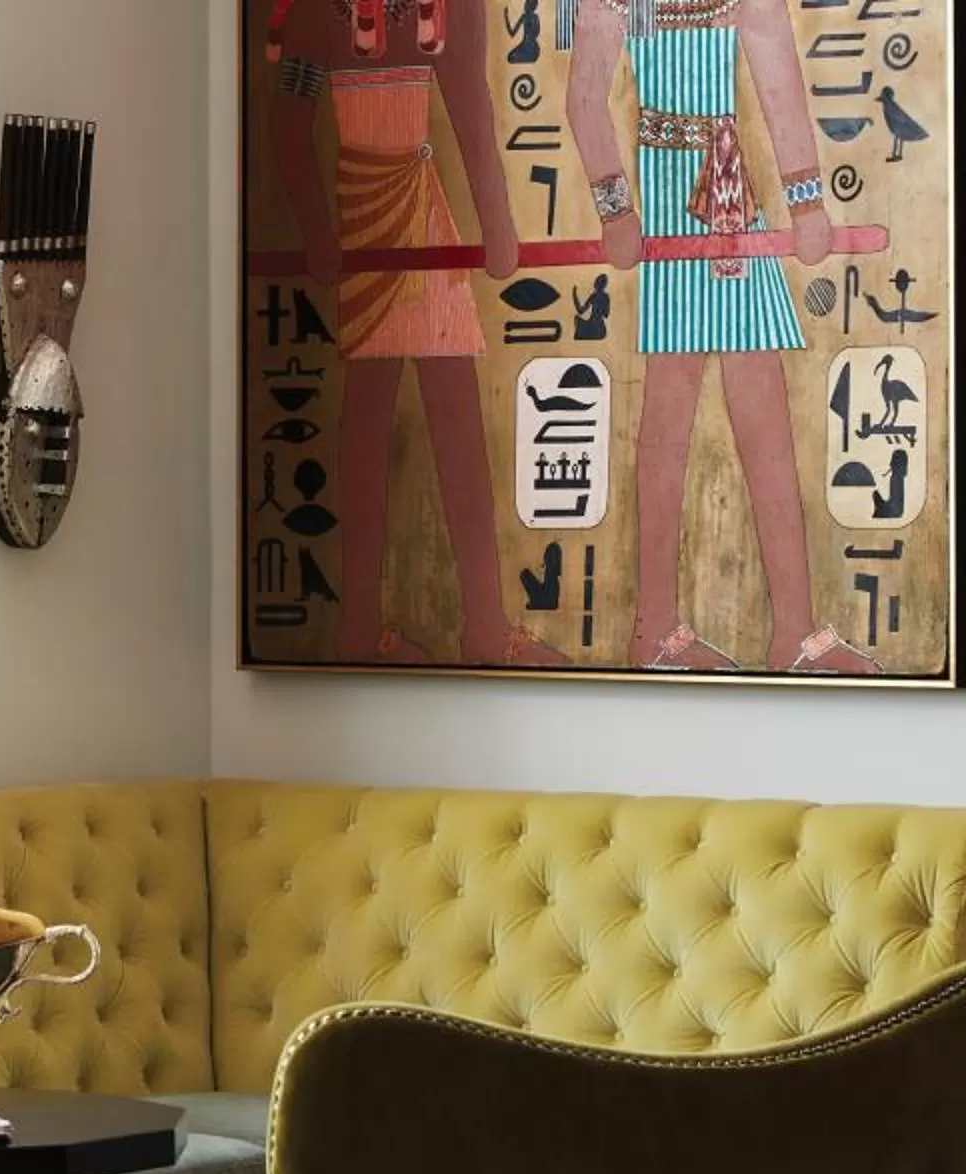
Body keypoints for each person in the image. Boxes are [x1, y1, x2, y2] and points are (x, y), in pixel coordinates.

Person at [569, 0, 877, 673]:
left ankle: (793, 630)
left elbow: (777, 75)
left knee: (763, 411)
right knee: (667, 417)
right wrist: (614, 205)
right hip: (665, 202)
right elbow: (586, 100)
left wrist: (805, 199)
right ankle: (653, 626)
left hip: (729, 189)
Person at [269, 0, 561, 667]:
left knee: (436, 414)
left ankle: (465, 627)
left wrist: (497, 224)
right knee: (381, 419)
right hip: (376, 217)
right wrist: (318, 235)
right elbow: (288, 126)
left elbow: (467, 100)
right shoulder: (314, 13)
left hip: (408, 216)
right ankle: (386, 628)